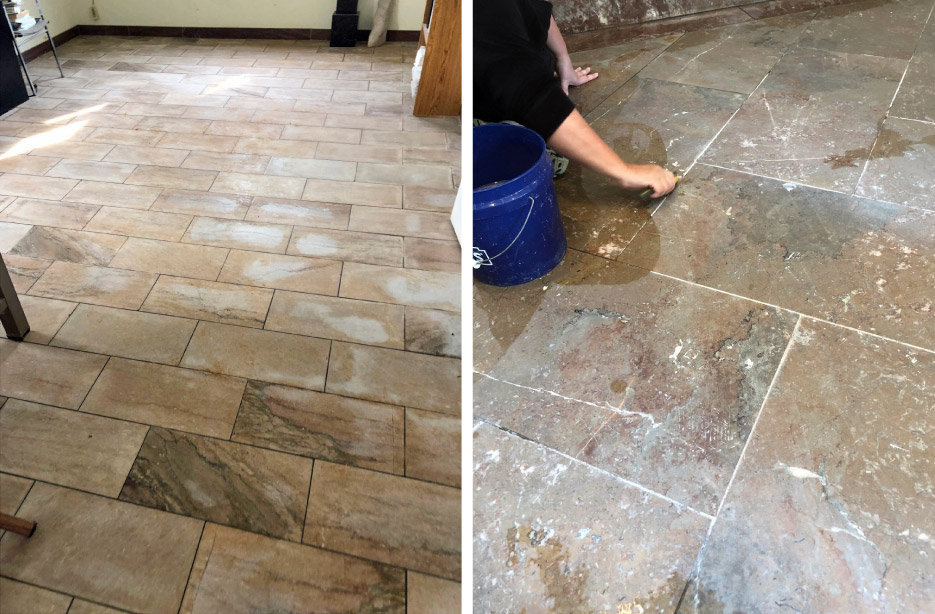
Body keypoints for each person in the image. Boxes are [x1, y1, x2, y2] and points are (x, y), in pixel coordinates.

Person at [474, 0, 677, 198]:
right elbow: (527, 90)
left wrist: (563, 59)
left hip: (519, 68)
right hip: (494, 99)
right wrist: (624, 171)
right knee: (533, 159)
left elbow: (535, 8)